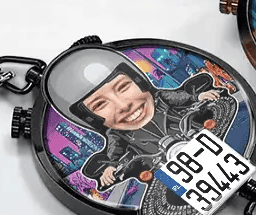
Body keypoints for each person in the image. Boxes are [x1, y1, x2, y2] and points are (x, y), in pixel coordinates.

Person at [44, 46, 227, 189]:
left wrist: (198, 97)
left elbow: (179, 98)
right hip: (163, 165)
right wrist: (111, 167)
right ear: (92, 119)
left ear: (139, 82)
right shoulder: (116, 134)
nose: (124, 106)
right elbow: (115, 151)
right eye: (100, 105)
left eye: (123, 87)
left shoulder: (161, 98)